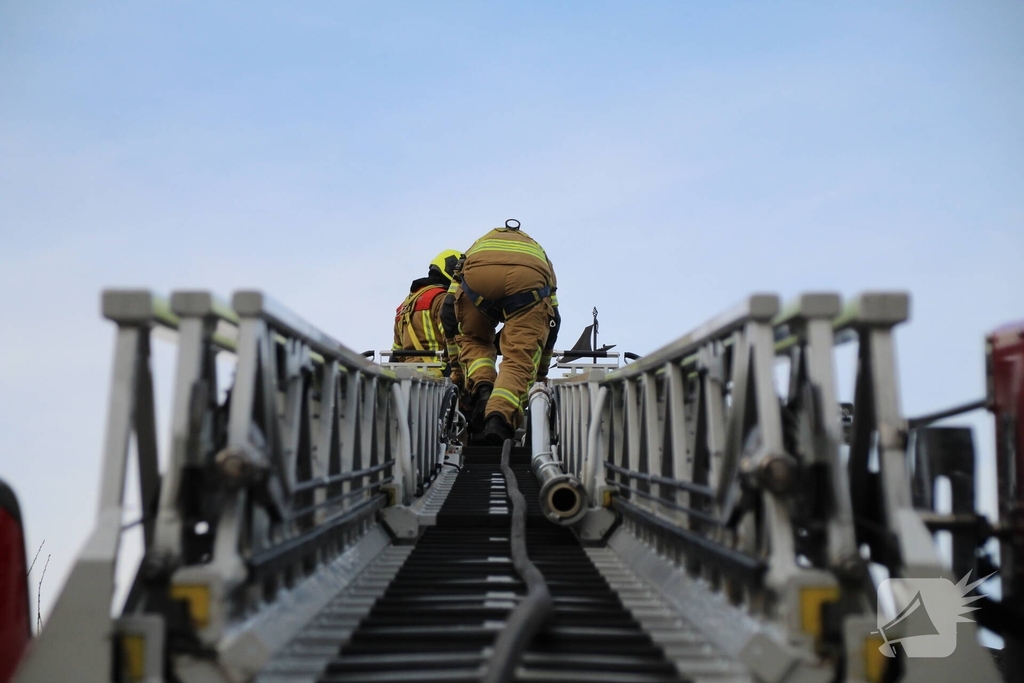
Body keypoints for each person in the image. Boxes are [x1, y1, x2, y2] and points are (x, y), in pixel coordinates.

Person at [444, 220, 560, 445]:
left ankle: (483, 388)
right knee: (518, 360)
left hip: (477, 279)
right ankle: (498, 419)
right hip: (529, 282)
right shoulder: (539, 252)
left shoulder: (480, 243)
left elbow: (449, 306)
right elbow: (554, 319)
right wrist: (538, 375)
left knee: (474, 340)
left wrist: (458, 372)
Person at [393, 249, 462, 380]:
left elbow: (396, 354)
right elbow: (453, 339)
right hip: (438, 377)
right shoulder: (441, 300)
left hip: (407, 377)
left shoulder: (403, 307)